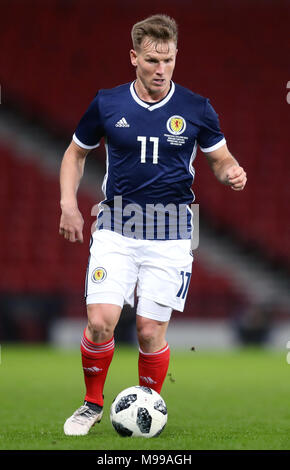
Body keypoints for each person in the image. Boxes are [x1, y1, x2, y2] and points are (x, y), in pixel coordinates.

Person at [59, 14, 247, 436]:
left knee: (148, 331)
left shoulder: (196, 107)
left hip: (173, 232)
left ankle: (148, 406)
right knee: (100, 320)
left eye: (168, 60)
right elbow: (75, 154)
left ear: (176, 56)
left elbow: (220, 158)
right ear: (134, 58)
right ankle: (91, 403)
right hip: (116, 226)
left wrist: (232, 171)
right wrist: (68, 204)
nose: (161, 70)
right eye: (151, 61)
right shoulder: (107, 103)